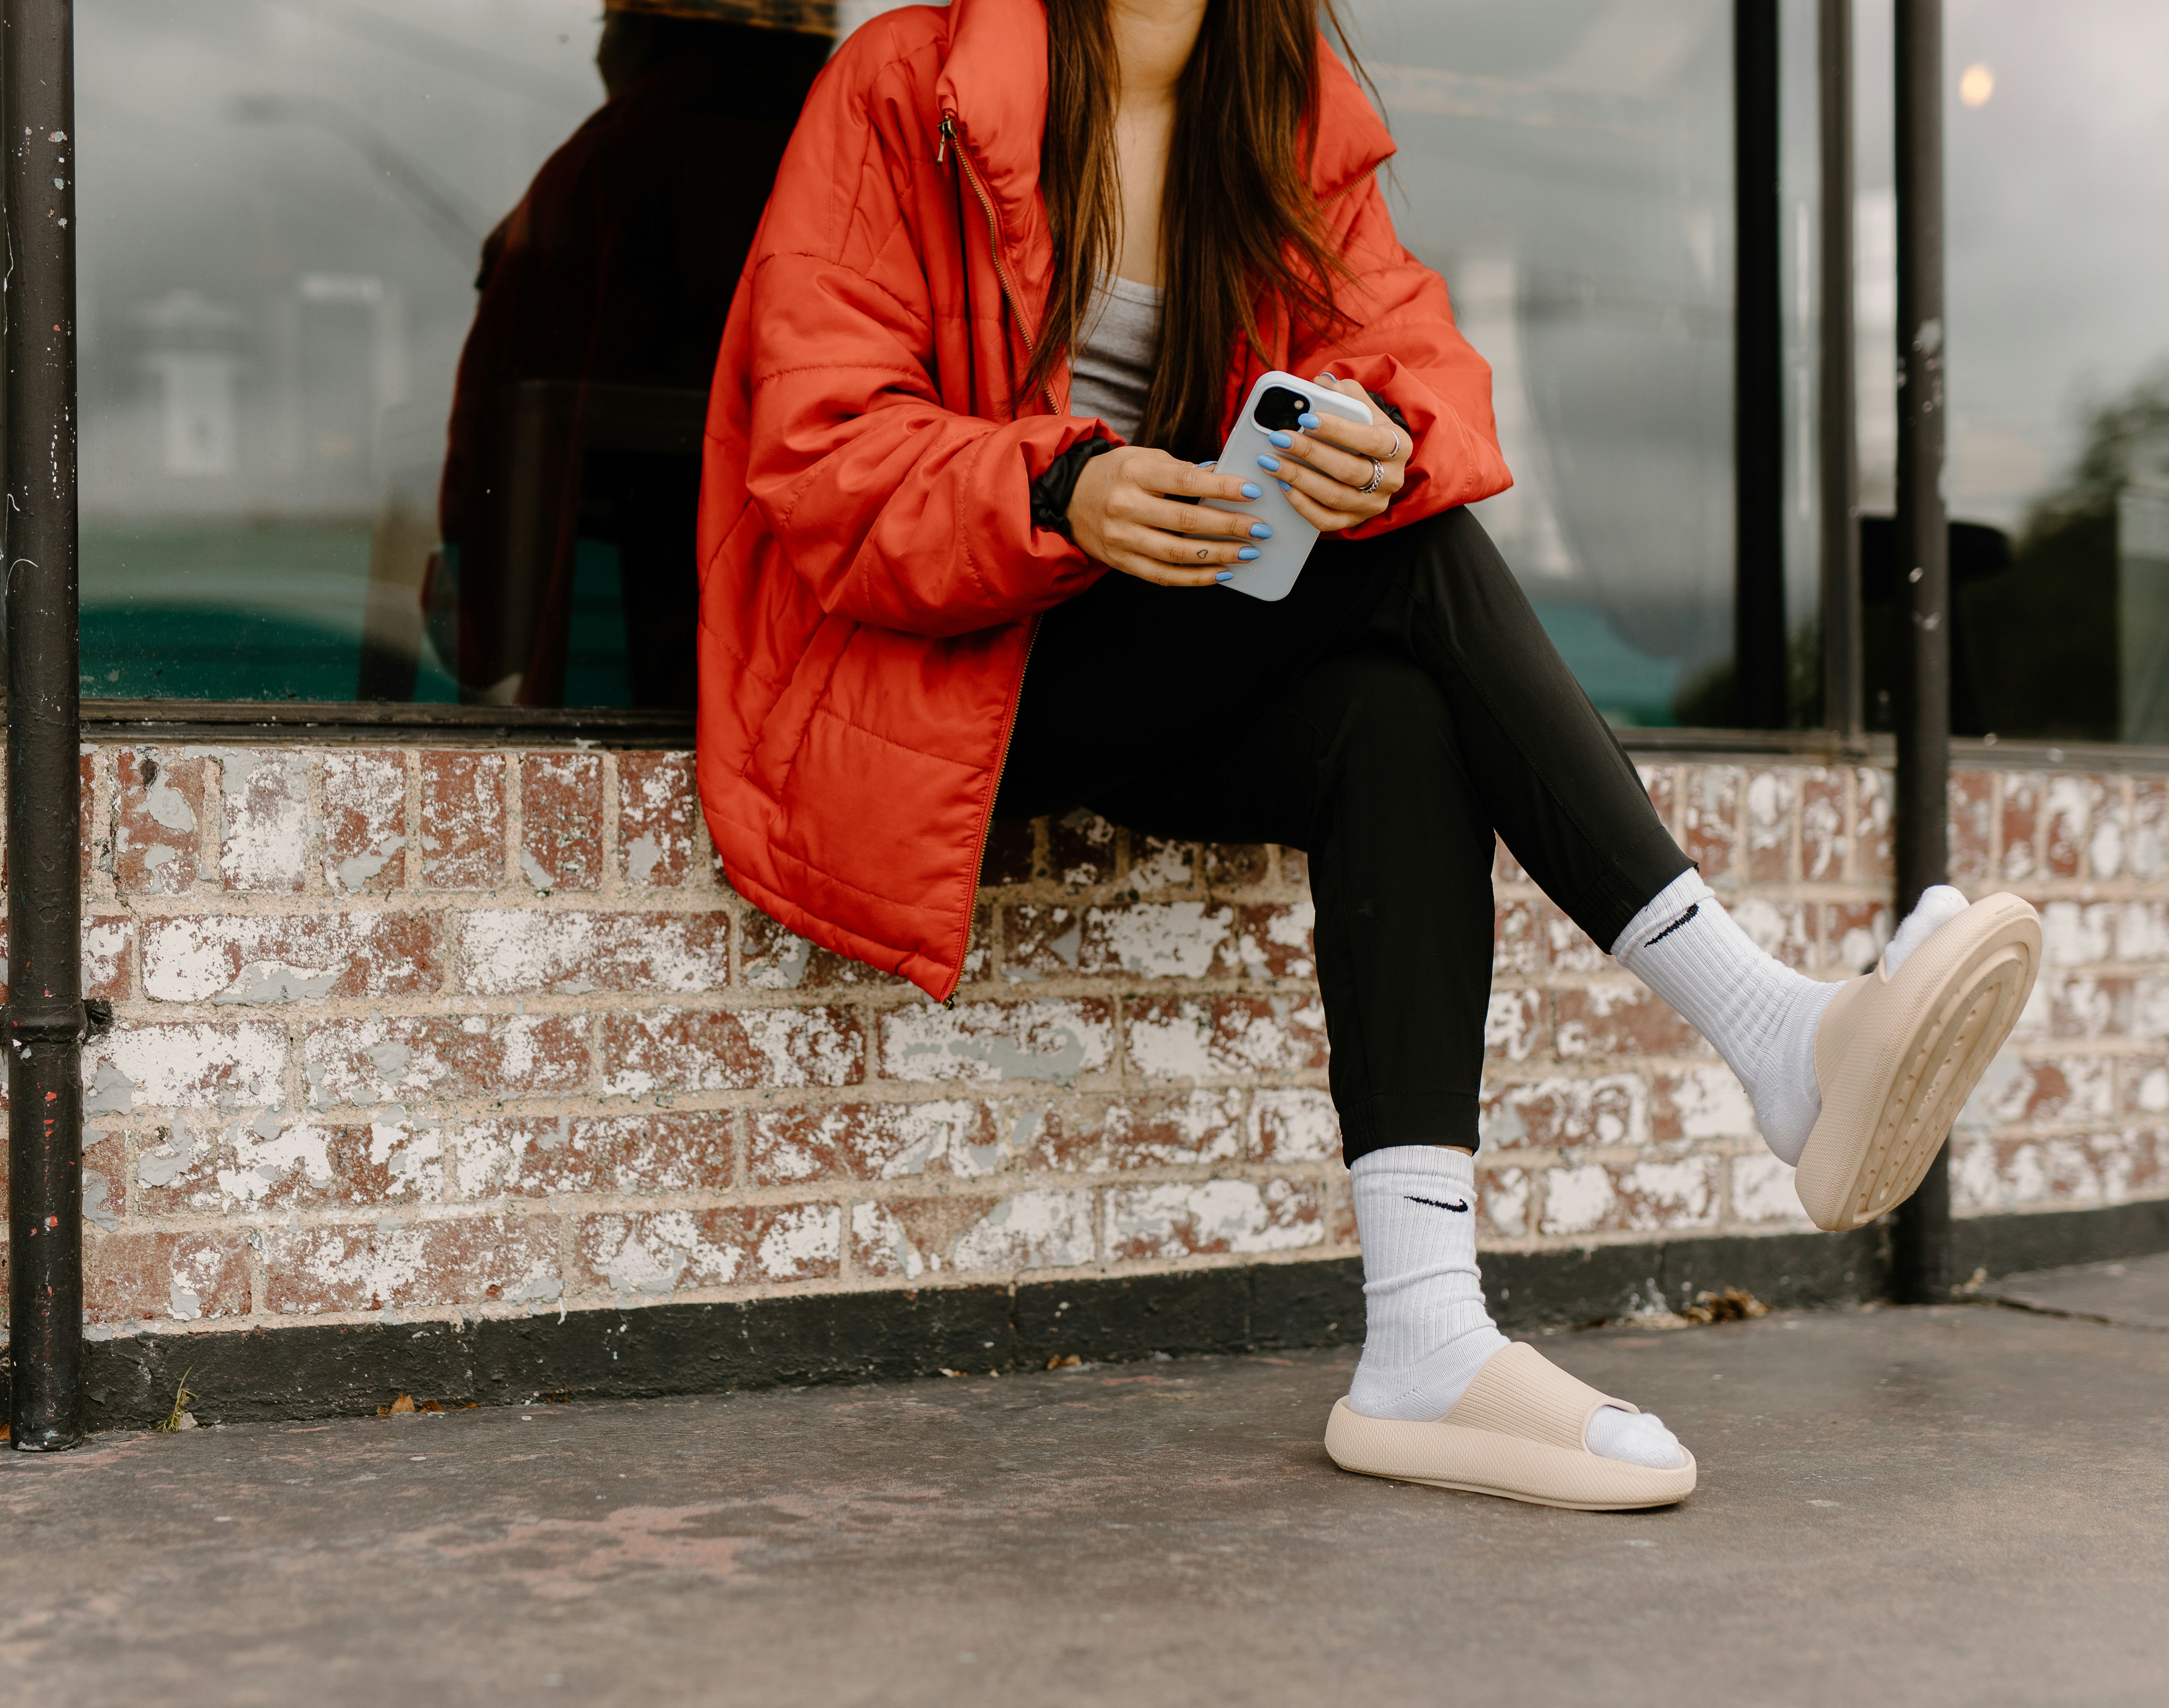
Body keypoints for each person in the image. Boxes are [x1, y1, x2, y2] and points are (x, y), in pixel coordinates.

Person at [695, 0, 2041, 1510]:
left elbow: (1411, 356)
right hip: (940, 682)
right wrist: (1063, 487)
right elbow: (817, 448)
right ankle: (1768, 1029)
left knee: (1399, 713)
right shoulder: (907, 80)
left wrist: (1380, 439)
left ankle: (1422, 1336)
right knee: (1416, 568)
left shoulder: (1278, 104)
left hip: (1156, 644)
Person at [426, 0, 835, 708]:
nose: (594, 57)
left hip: (623, 647)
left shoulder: (596, 174)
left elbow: (496, 442)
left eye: (605, 27)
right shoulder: (890, 172)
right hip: (845, 656)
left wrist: (477, 622)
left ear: (643, 30)